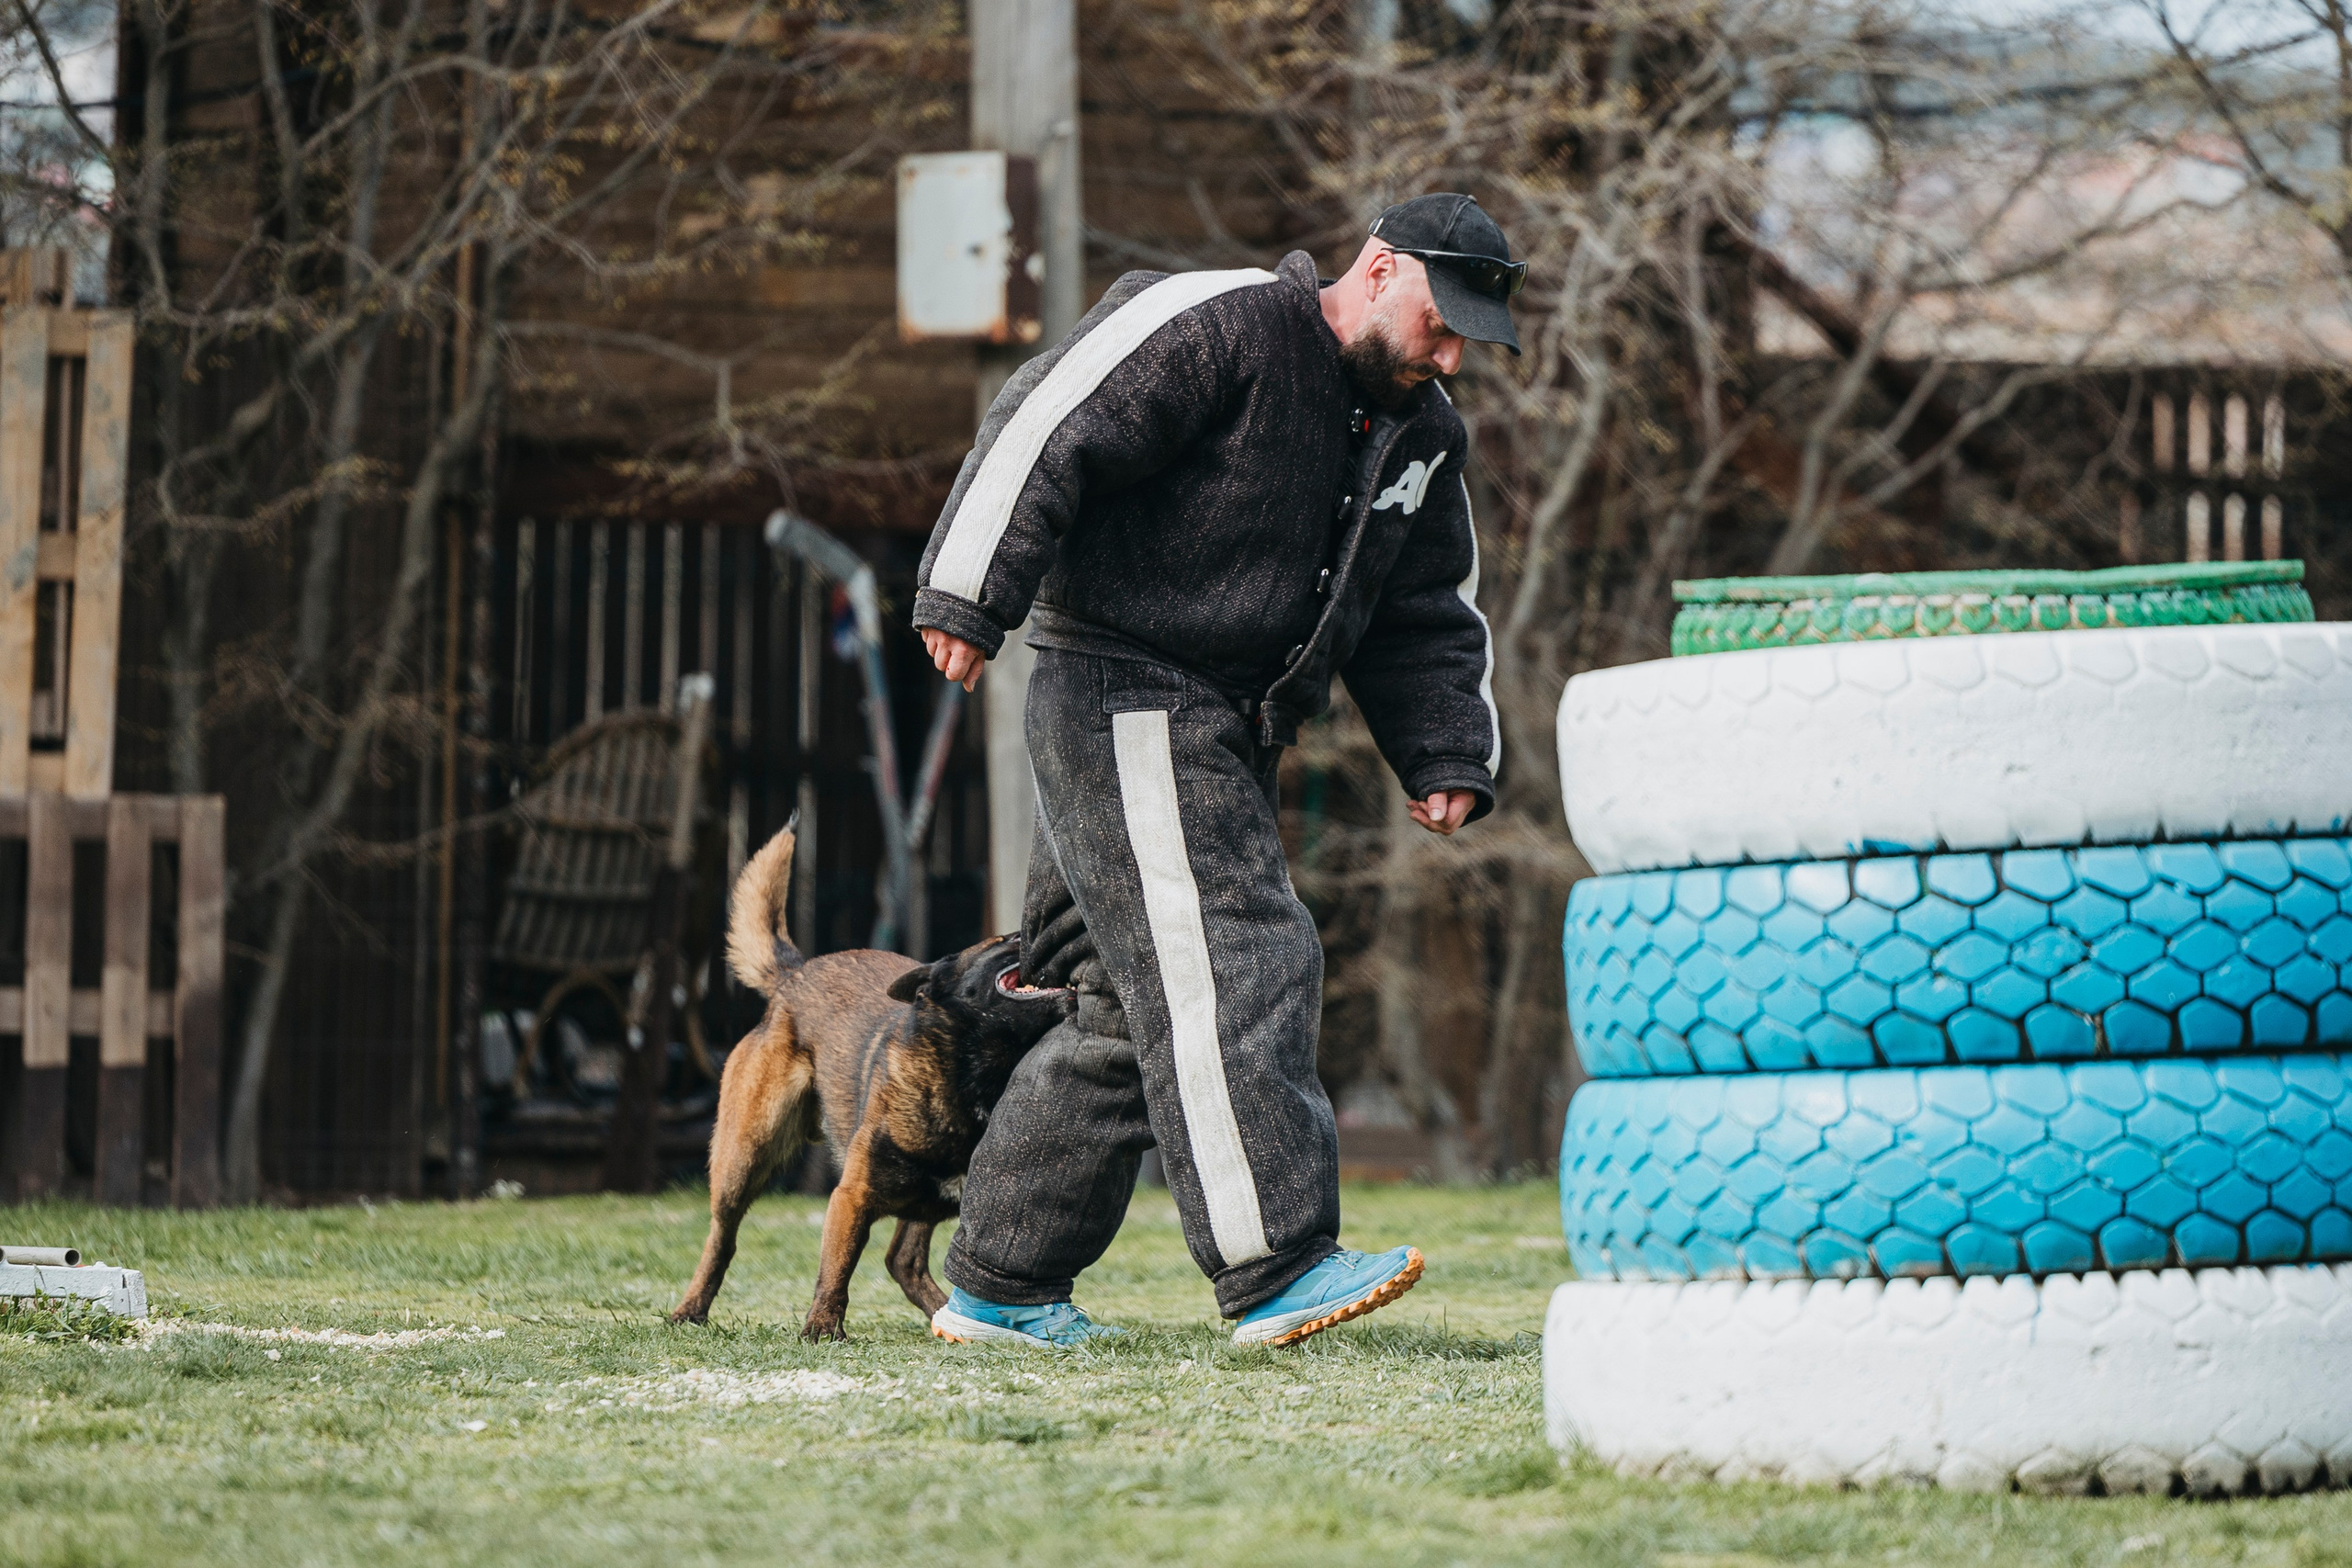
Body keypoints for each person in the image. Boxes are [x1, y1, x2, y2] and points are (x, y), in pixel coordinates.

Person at [910, 193, 1522, 1348]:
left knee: (1118, 1004)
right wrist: (968, 591)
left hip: (1229, 725)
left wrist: (1444, 749)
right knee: (1239, 958)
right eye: (1443, 326)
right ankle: (1276, 1264)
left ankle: (1000, 1286)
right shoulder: (1226, 325)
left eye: (1468, 345)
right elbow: (1049, 419)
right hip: (1127, 690)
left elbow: (1425, 612)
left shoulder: (1422, 433)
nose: (1449, 359)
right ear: (1381, 269)